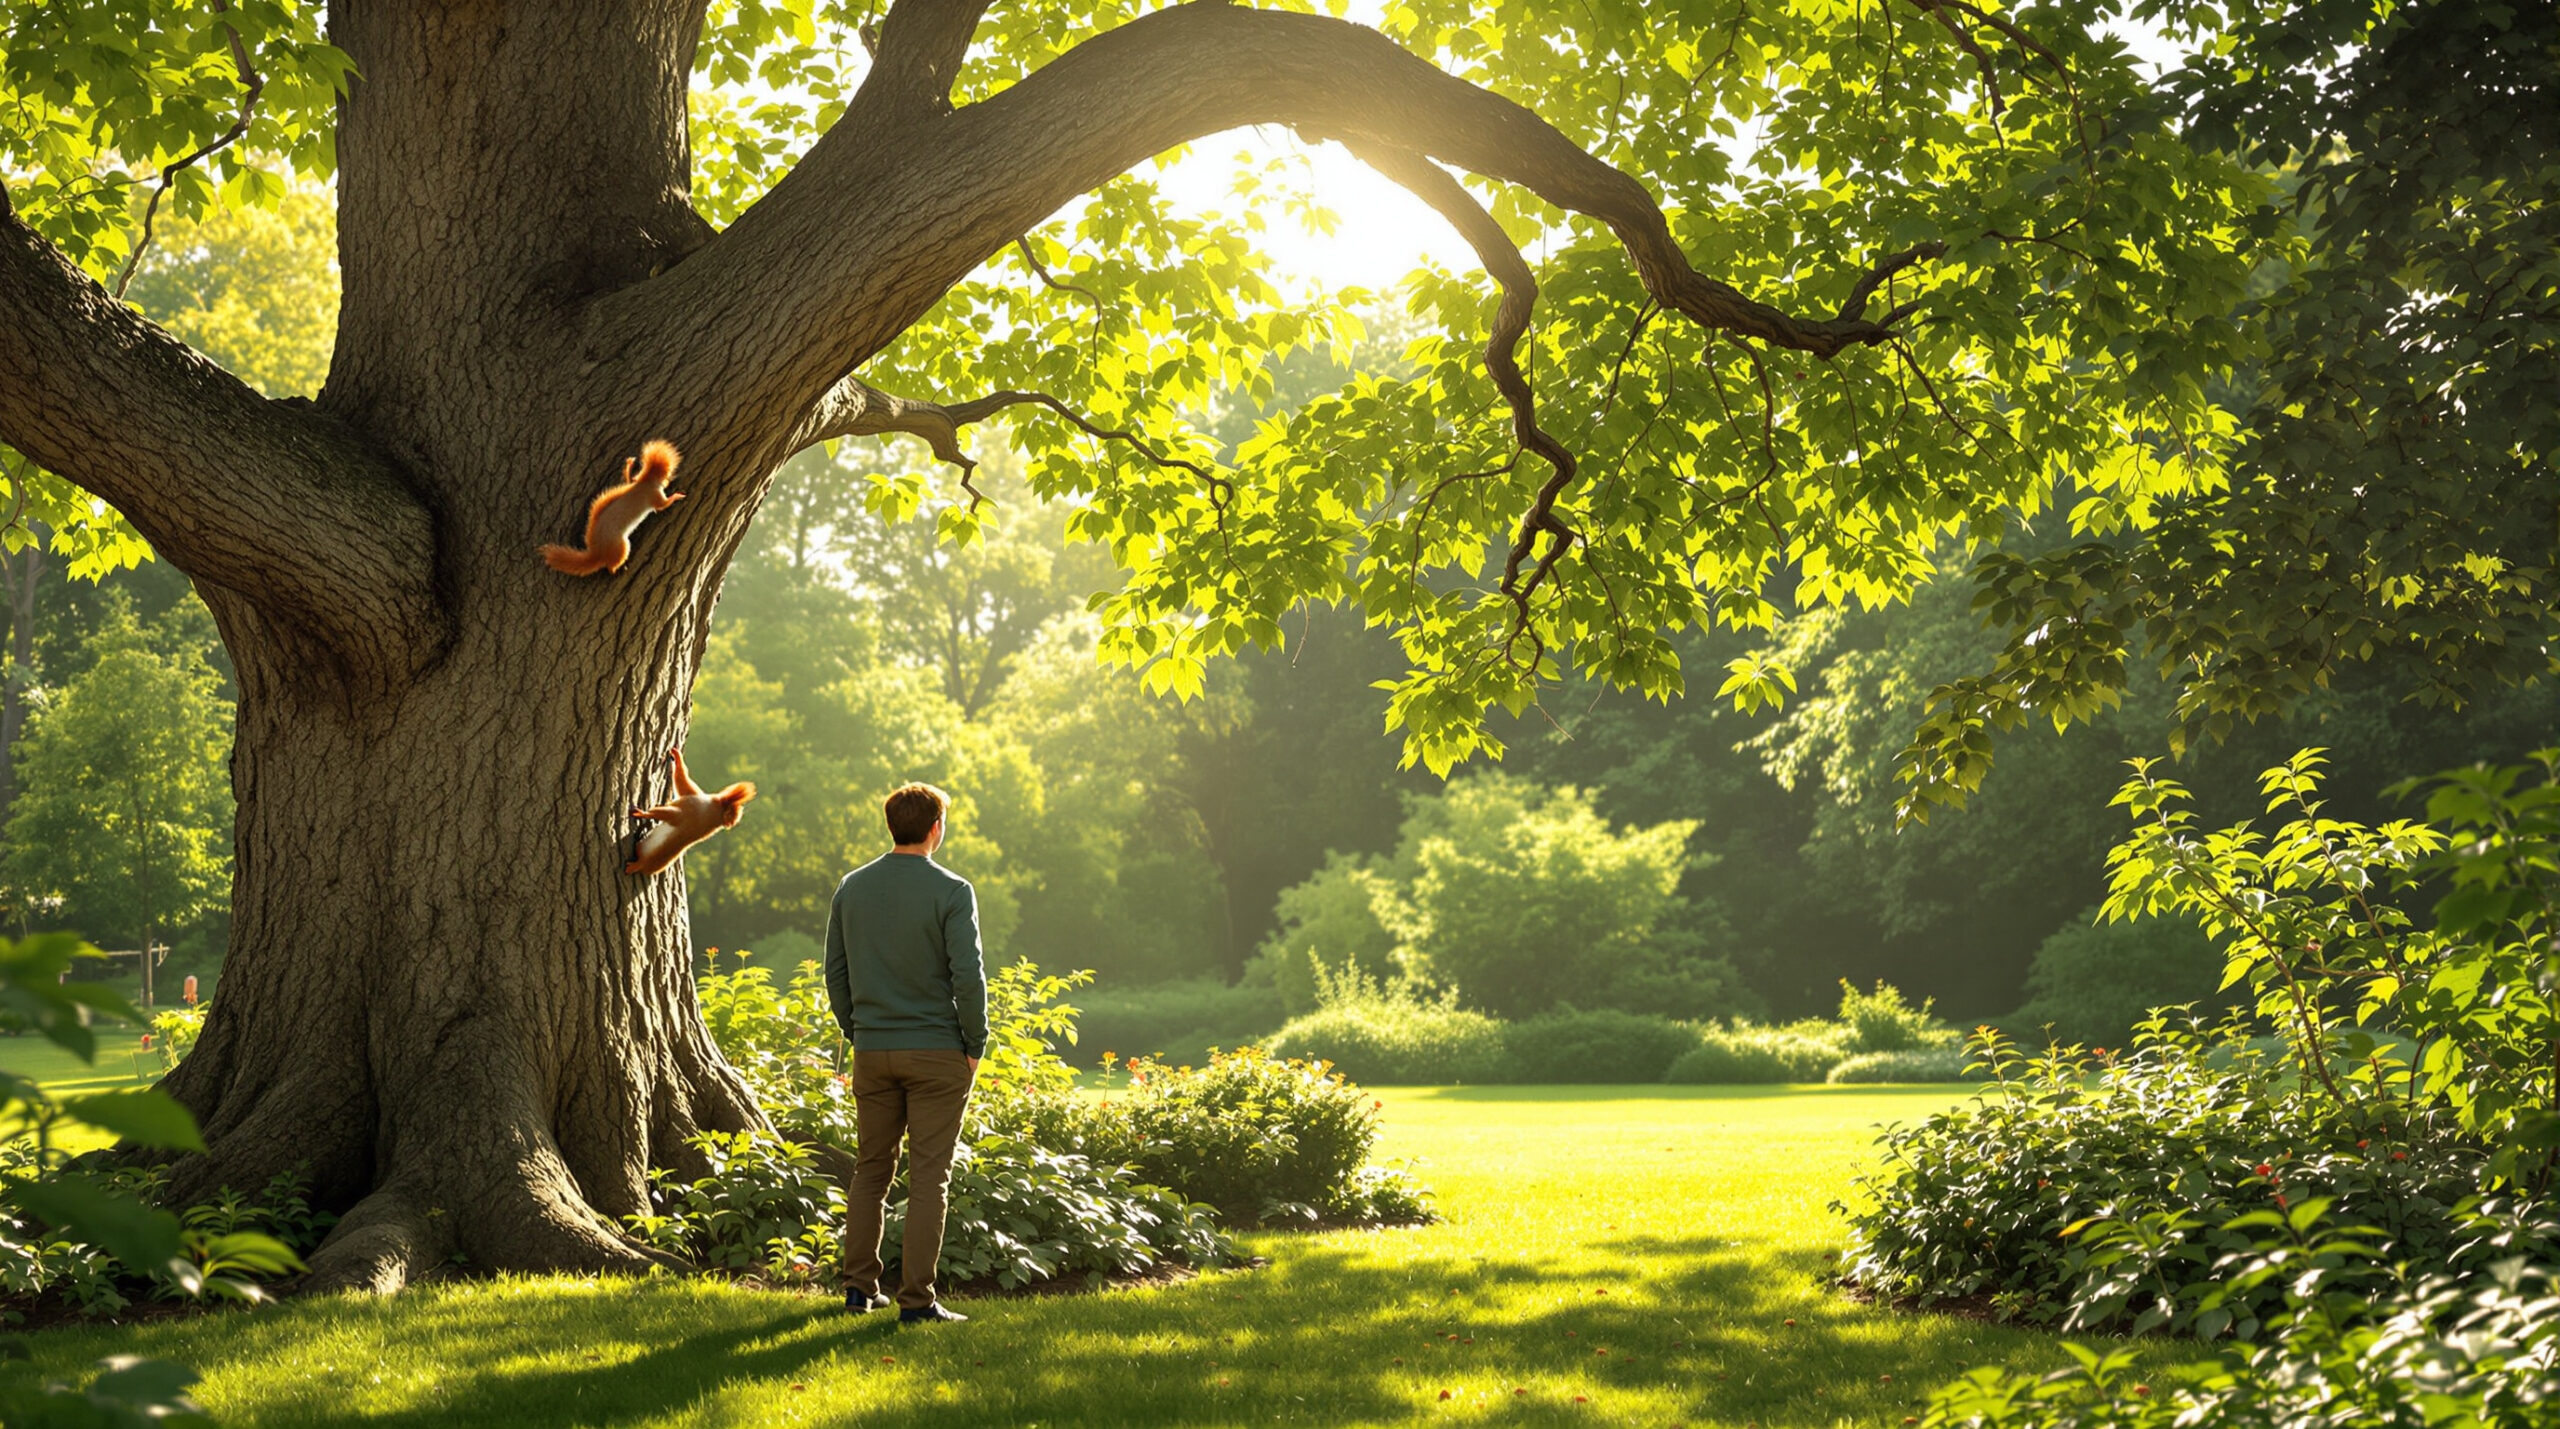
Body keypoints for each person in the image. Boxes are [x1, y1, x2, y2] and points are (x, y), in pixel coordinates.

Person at [823, 781, 988, 1325]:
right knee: (928, 1178)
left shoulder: (852, 887)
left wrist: (858, 1033)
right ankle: (917, 1301)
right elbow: (968, 976)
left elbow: (836, 973)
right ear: (936, 828)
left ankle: (858, 1290)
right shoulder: (952, 890)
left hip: (874, 1049)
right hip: (937, 1052)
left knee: (870, 1169)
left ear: (891, 825)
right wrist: (974, 1044)